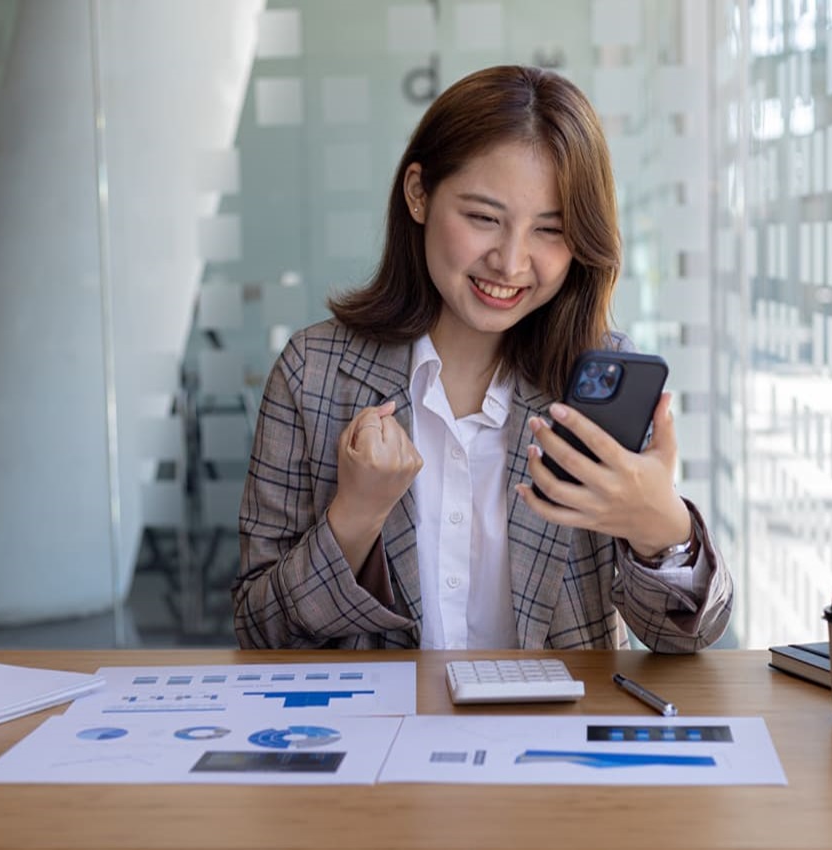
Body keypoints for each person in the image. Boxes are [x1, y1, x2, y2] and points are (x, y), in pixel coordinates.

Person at [232, 65, 731, 652]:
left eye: (550, 229)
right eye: (484, 219)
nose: (512, 262)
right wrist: (355, 517)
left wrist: (660, 527)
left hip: (552, 741)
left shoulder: (600, 381)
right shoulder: (313, 372)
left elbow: (686, 639)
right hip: (383, 737)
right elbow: (258, 633)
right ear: (418, 194)